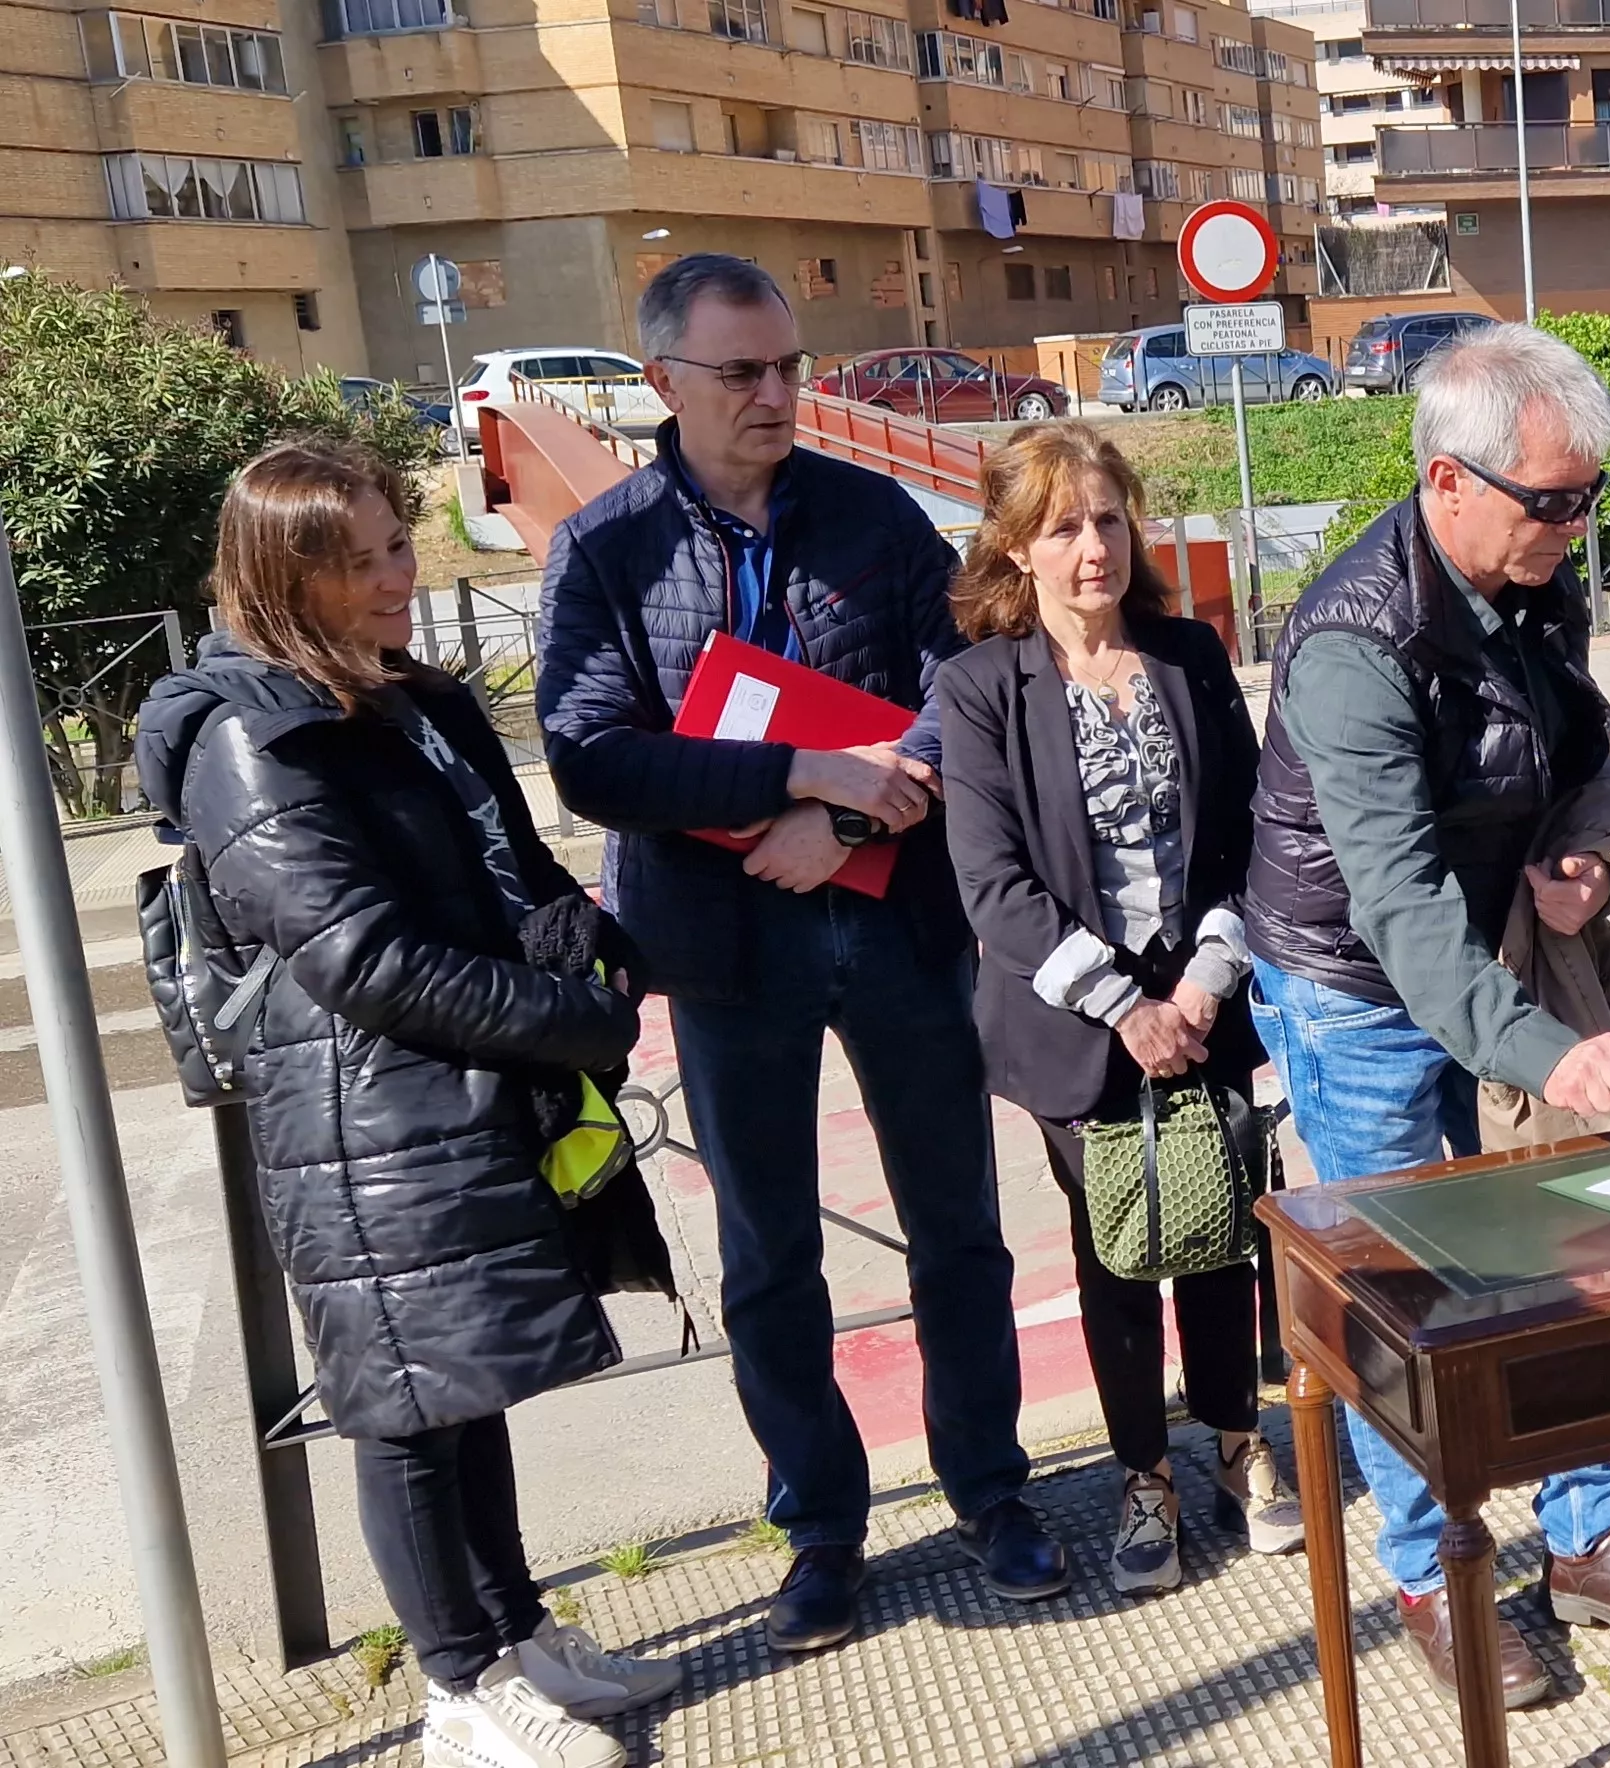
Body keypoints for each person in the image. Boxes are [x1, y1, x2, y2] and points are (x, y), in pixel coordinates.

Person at [538, 254, 1068, 1653]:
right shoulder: (604, 548)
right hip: (722, 952)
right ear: (664, 382)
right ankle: (820, 1526)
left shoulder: (875, 512)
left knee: (956, 1227)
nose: (778, 395)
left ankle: (991, 1491)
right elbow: (594, 757)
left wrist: (838, 818)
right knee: (769, 1256)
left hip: (895, 918)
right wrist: (798, 777)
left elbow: (964, 687)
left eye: (790, 369)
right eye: (743, 373)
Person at [139, 441, 681, 1768]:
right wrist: (572, 1019)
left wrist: (582, 931)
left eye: (400, 546)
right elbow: (358, 959)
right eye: (372, 558)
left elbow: (507, 865)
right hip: (361, 1130)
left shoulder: (403, 699)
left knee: (464, 1389)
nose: (403, 576)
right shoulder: (250, 740)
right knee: (405, 1413)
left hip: (447, 1108)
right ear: (293, 577)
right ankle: (458, 1686)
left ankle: (515, 1630)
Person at [1243, 323, 1610, 1709]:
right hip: (1356, 990)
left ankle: (1584, 1537)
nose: (1574, 529)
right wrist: (1547, 1049)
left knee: (1562, 1252)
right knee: (1410, 1305)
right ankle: (1433, 1571)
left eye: (1587, 500)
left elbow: (1571, 747)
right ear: (1444, 481)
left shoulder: (1532, 574)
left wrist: (1581, 849)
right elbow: (1396, 910)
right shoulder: (1354, 642)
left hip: (1496, 947)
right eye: (1551, 502)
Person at [934, 423, 1304, 1596]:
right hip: (1072, 1026)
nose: (1092, 547)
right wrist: (1122, 1008)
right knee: (1121, 1250)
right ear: (1014, 547)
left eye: (1106, 519)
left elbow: (1254, 836)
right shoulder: (981, 685)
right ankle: (1142, 1474)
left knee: (1223, 1233)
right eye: (1061, 528)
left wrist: (1200, 981)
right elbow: (991, 885)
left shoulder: (1189, 655)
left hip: (1202, 998)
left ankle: (1240, 1444)